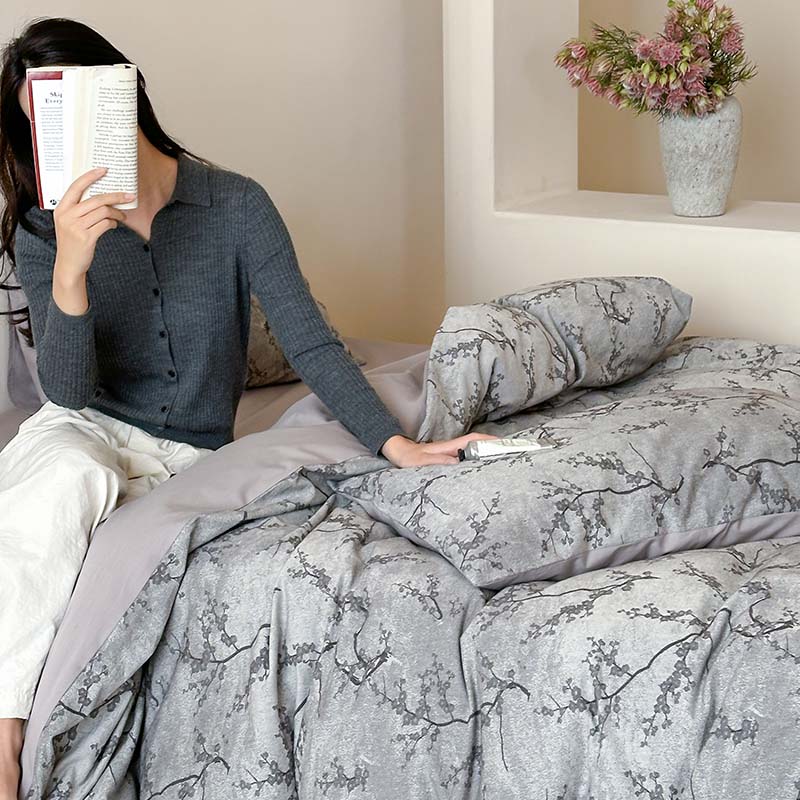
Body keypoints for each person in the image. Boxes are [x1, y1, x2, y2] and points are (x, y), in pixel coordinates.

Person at [0, 17, 496, 797]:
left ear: (120, 93)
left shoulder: (234, 204)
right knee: (65, 483)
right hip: (80, 429)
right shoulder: (44, 230)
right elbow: (65, 393)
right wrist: (70, 270)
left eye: (68, 113)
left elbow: (311, 343)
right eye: (40, 130)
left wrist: (395, 445)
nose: (59, 145)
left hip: (189, 455)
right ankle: (6, 733)